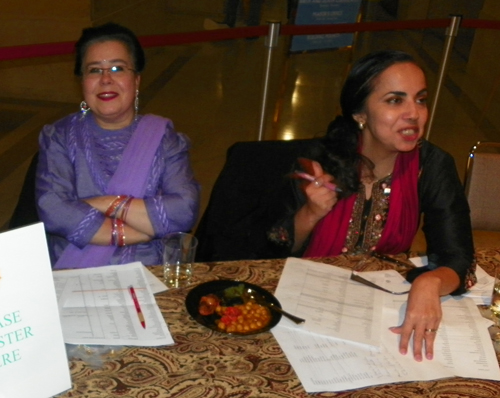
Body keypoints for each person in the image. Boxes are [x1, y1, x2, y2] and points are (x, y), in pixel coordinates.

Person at [265, 50, 477, 361]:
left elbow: (457, 255)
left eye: (420, 99)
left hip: (380, 312)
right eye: (395, 100)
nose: (413, 113)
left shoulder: (430, 165)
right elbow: (269, 252)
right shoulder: (318, 160)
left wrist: (431, 281)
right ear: (360, 113)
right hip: (304, 309)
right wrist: (310, 214)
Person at [36, 22, 200, 269]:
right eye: (93, 70)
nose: (105, 80)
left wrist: (104, 204)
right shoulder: (59, 136)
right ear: (82, 82)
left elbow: (184, 211)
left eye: (117, 68)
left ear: (136, 80)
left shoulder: (164, 137)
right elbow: (53, 211)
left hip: (148, 270)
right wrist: (140, 231)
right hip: (74, 269)